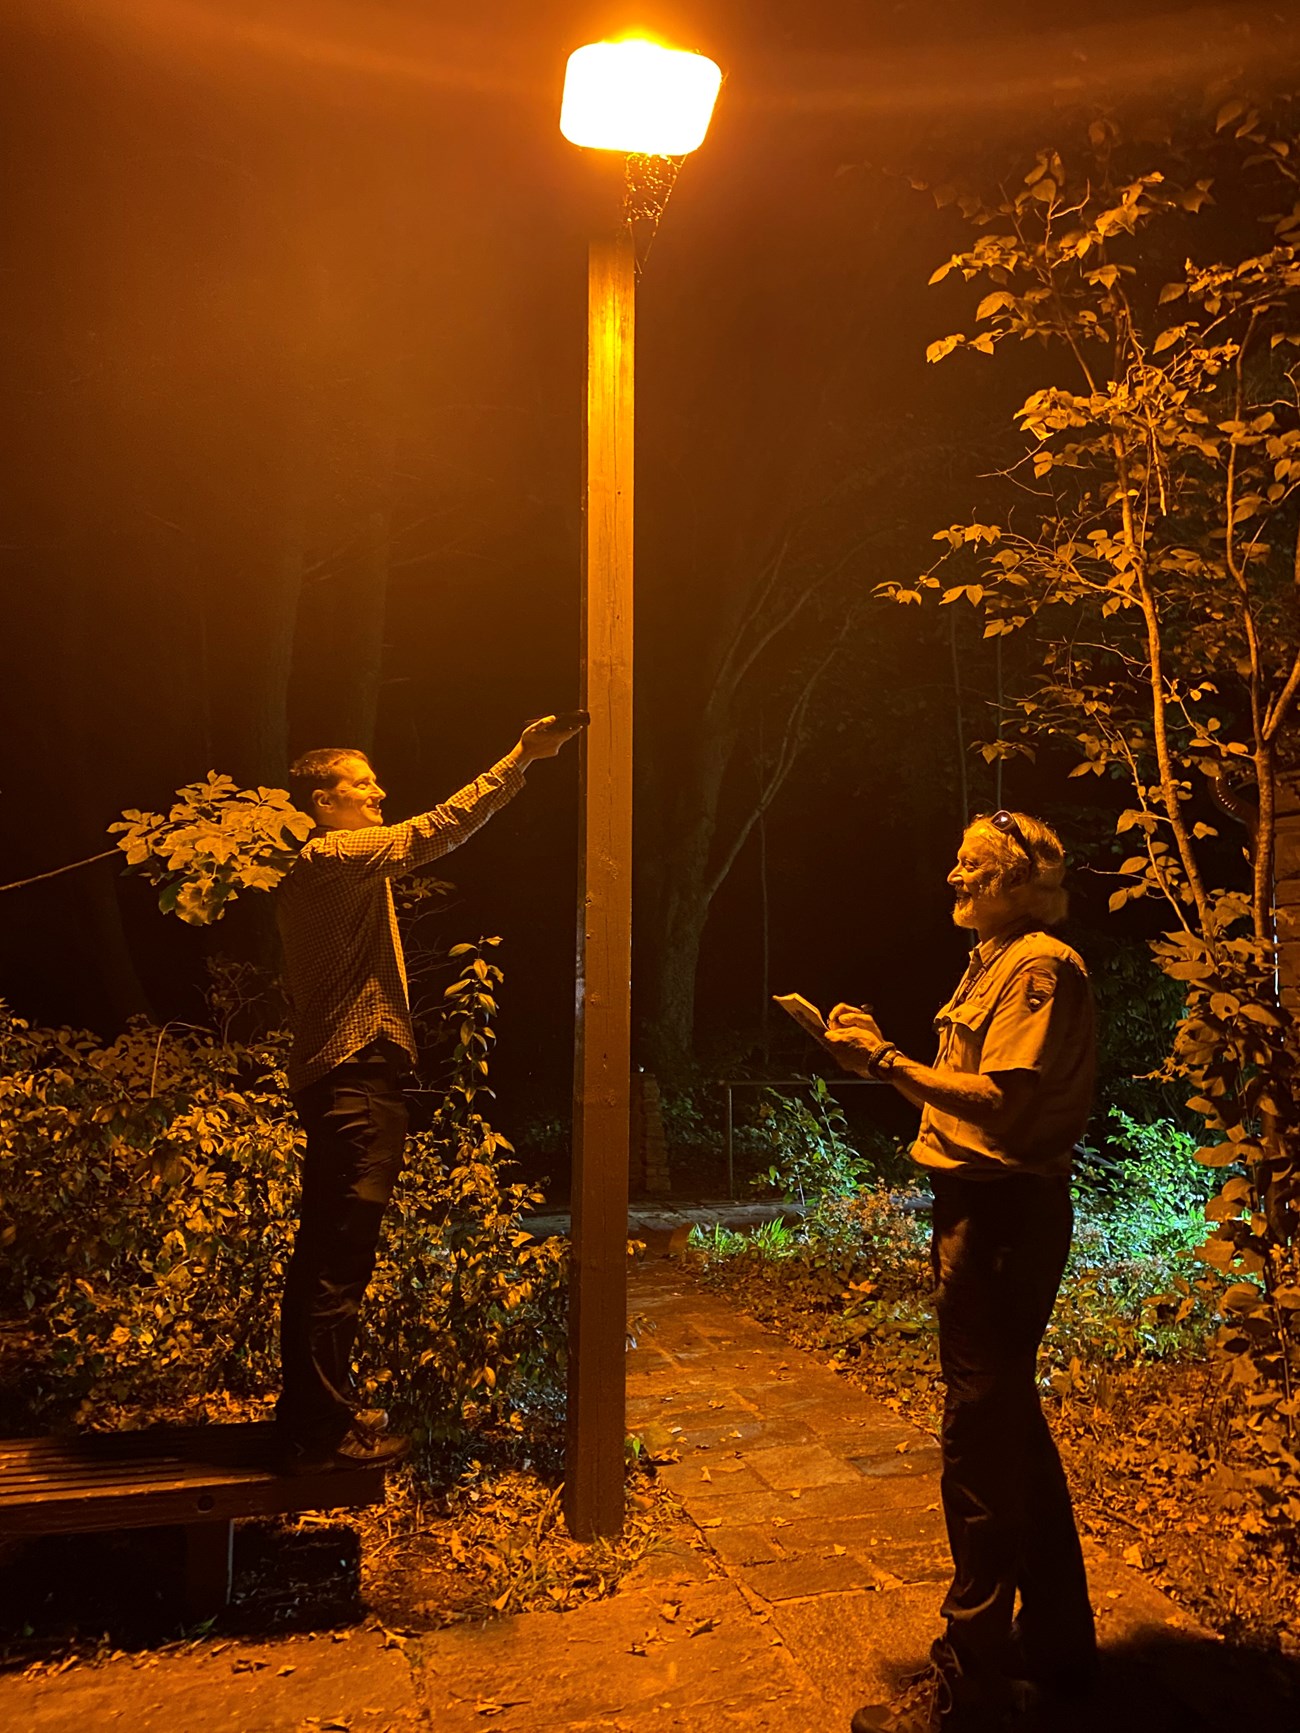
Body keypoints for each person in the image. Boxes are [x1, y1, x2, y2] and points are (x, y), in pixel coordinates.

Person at [821, 810, 1098, 1733]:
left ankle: (972, 1678)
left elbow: (1004, 1109)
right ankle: (1063, 1646)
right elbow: (964, 1089)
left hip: (1004, 1217)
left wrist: (885, 1059)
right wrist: (870, 1053)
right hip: (980, 1210)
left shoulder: (1040, 968)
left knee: (979, 1441)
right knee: (1011, 1423)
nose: (952, 878)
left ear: (1019, 882)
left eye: (972, 868)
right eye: (956, 864)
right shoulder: (991, 960)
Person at [273, 716, 582, 1474]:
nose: (379, 789)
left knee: (331, 1257)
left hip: (350, 1078)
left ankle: (315, 1416)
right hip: (351, 1078)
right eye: (361, 781)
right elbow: (434, 831)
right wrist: (519, 758)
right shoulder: (332, 855)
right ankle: (318, 1433)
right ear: (323, 802)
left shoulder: (333, 865)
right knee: (335, 1264)